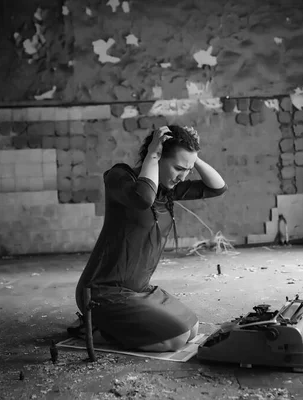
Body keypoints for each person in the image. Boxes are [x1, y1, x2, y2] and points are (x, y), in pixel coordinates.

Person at [74, 124, 227, 352]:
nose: (183, 176)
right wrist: (152, 155)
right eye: (178, 167)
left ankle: (110, 326)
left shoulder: (168, 189)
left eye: (188, 170)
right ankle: (94, 329)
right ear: (158, 157)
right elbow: (144, 198)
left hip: (139, 289)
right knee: (176, 339)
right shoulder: (120, 178)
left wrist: (193, 156)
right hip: (103, 291)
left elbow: (217, 188)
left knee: (192, 328)